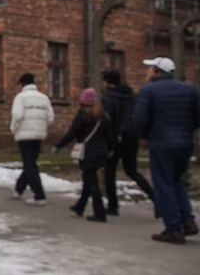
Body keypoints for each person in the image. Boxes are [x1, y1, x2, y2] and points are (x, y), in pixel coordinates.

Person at [132, 56, 200, 244]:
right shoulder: (189, 90)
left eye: (149, 68)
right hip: (184, 143)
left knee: (164, 184)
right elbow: (197, 117)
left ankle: (173, 228)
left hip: (161, 143)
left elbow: (139, 119)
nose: (147, 72)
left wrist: (146, 136)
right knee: (177, 181)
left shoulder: (149, 90)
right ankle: (188, 220)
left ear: (156, 71)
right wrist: (186, 132)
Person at [53, 88, 115, 222]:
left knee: (92, 182)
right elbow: (110, 135)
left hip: (88, 152)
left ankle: (99, 213)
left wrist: (59, 145)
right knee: (89, 180)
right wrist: (111, 149)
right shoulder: (103, 115)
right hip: (101, 151)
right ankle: (80, 206)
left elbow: (72, 133)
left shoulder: (83, 116)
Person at [101, 70, 155, 215]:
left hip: (115, 139)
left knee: (109, 172)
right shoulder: (133, 97)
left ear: (106, 82)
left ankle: (113, 206)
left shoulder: (107, 98)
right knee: (132, 171)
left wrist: (108, 142)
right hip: (131, 137)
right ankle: (157, 201)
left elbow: (108, 122)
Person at [10, 72, 55, 205]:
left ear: (23, 84)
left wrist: (14, 129)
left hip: (24, 136)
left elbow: (17, 116)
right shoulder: (44, 98)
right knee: (30, 164)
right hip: (39, 135)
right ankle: (18, 189)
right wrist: (41, 127)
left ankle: (39, 195)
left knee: (29, 164)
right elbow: (50, 117)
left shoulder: (20, 97)